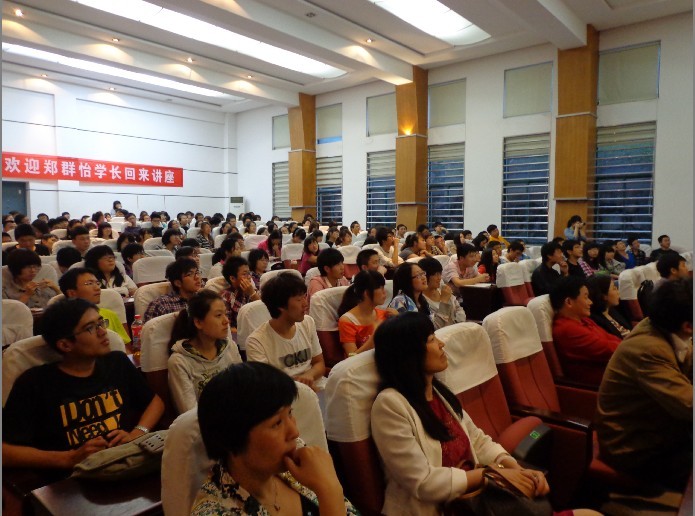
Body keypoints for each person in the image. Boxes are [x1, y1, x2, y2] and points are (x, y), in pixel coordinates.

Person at [370, 312, 554, 516]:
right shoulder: (390, 405)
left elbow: (478, 441)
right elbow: (423, 482)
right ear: (408, 353)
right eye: (431, 340)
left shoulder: (439, 392)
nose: (441, 344)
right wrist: (490, 473)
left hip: (471, 501)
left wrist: (517, 469)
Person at [2, 298, 164, 469]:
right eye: (90, 328)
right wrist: (68, 458)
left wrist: (137, 433)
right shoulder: (34, 382)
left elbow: (155, 402)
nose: (103, 332)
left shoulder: (117, 362)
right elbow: (6, 452)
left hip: (123, 463)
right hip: (70, 476)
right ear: (65, 345)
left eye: (101, 323)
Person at [191, 362, 356, 515]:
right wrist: (329, 490)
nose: (294, 432)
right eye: (277, 423)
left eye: (289, 413)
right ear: (231, 438)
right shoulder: (213, 511)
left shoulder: (295, 462)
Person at [595, 279, 692, 491]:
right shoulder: (648, 349)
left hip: (661, 427)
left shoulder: (664, 325)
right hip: (634, 447)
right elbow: (689, 405)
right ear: (688, 326)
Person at [166, 290, 242, 414]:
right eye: (218, 315)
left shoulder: (230, 347)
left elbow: (244, 388)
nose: (226, 321)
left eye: (226, 314)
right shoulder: (179, 362)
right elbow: (190, 413)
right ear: (198, 322)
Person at [246, 273, 326, 389]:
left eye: (305, 296)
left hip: (316, 387)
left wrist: (309, 375)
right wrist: (301, 385)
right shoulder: (256, 341)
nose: (305, 304)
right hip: (284, 395)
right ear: (281, 306)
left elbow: (319, 363)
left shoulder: (308, 322)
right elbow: (264, 385)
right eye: (299, 299)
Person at [550, 276, 621, 387]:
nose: (590, 302)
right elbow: (609, 349)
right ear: (569, 302)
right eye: (586, 297)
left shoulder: (584, 320)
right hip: (604, 384)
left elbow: (611, 338)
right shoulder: (567, 330)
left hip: (617, 371)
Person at [59, 267, 131, 345]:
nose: (97, 288)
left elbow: (125, 348)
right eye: (89, 283)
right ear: (72, 293)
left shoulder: (110, 315)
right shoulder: (63, 322)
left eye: (97, 283)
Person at [337, 270, 395, 357]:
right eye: (380, 288)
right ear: (366, 293)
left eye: (384, 287)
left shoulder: (385, 314)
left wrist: (398, 320)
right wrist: (373, 339)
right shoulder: (347, 321)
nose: (384, 292)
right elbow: (351, 355)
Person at [143, 258, 202, 322]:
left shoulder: (203, 299)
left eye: (197, 272)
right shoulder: (161, 305)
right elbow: (150, 328)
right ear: (178, 283)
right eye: (189, 274)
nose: (197, 277)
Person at [419, 257, 466, 328]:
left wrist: (459, 324)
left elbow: (458, 308)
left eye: (440, 274)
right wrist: (444, 301)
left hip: (458, 329)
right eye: (435, 274)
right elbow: (436, 327)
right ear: (424, 276)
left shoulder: (442, 289)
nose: (439, 278)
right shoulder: (421, 300)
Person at [219, 256, 261, 329]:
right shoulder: (226, 296)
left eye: (249, 273)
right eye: (244, 274)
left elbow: (265, 312)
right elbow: (228, 327)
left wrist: (253, 294)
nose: (249, 277)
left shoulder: (252, 290)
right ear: (233, 278)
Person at [587, 275, 633, 339]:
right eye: (614, 288)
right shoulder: (596, 321)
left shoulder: (612, 310)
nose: (618, 292)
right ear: (603, 296)